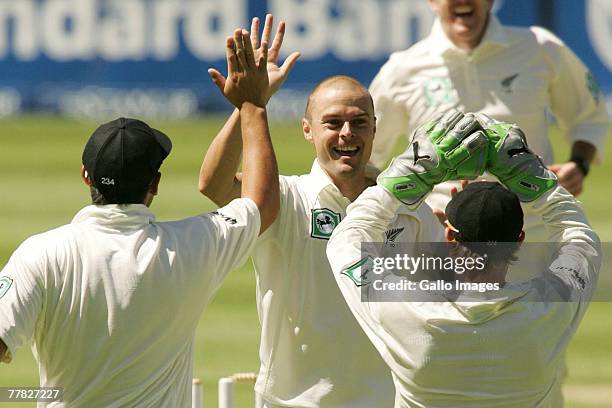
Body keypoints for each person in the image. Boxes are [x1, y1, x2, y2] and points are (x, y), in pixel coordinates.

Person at [0, 28, 279, 407]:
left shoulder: (40, 253)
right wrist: (252, 106)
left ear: (86, 175)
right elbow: (261, 205)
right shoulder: (193, 246)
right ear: (156, 184)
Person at [200, 15, 443, 407]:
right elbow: (213, 184)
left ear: (375, 129)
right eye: (332, 123)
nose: (347, 133)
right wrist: (249, 103)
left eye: (359, 123)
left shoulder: (408, 207)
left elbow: (440, 299)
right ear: (308, 130)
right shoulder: (285, 196)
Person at [327, 111, 601, 407]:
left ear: (449, 237)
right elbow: (580, 236)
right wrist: (536, 180)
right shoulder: (550, 306)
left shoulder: (402, 308)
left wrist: (406, 176)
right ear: (520, 239)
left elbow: (346, 240)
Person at [369, 0, 608, 237]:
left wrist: (579, 164)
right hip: (439, 239)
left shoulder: (539, 47)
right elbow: (369, 152)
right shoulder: (401, 69)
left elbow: (589, 115)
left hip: (532, 234)